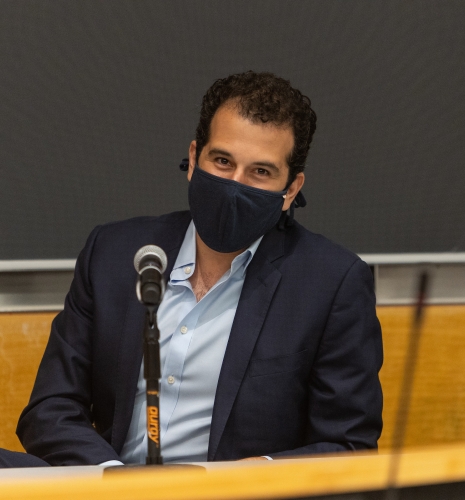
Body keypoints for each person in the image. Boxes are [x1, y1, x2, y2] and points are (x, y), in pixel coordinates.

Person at [17, 71, 382, 465]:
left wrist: (247, 480)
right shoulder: (114, 252)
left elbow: (348, 445)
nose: (235, 184)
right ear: (193, 159)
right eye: (222, 161)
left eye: (260, 172)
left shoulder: (331, 283)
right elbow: (50, 409)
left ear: (290, 190)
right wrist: (114, 479)